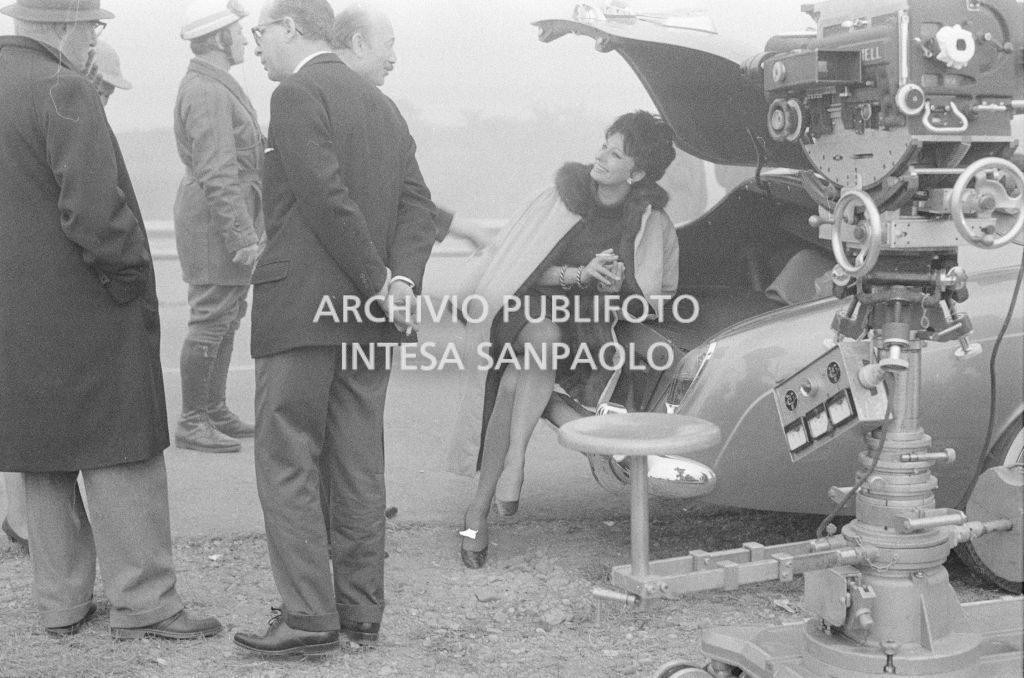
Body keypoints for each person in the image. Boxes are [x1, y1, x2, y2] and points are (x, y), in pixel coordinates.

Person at [0, 0, 222, 640]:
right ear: (66, 24)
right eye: (93, 25)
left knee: (43, 455)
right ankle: (145, 601)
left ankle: (60, 603)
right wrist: (129, 282)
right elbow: (96, 214)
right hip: (88, 308)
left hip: (16, 312)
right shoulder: (64, 87)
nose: (95, 37)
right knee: (124, 450)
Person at [233, 0, 436, 657]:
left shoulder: (296, 94)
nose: (255, 44)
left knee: (288, 458)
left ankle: (307, 616)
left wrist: (379, 281)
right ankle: (360, 615)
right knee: (357, 465)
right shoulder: (384, 107)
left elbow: (323, 197)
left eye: (261, 31)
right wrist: (399, 285)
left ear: (291, 27)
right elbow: (418, 206)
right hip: (368, 321)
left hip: (303, 312)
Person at [447, 111, 680, 568]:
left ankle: (479, 510)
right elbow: (519, 268)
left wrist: (617, 289)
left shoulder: (652, 223)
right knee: (544, 336)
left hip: (587, 331)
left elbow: (659, 296)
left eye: (615, 154)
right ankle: (513, 465)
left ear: (637, 174)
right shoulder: (560, 197)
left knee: (515, 383)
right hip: (524, 311)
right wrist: (578, 275)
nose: (601, 157)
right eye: (604, 145)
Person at [0, 38, 132, 558]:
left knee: (29, 423)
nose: (106, 96)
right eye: (105, 86)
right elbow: (92, 214)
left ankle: (31, 536)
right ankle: (24, 525)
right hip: (58, 296)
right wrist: (128, 277)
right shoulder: (65, 98)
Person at [172, 0, 263, 454]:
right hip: (216, 222)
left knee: (227, 315)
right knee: (211, 317)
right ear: (219, 38)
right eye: (238, 32)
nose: (244, 39)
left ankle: (213, 409)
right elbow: (217, 170)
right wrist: (242, 237)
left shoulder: (214, 84)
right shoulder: (207, 91)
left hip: (222, 218)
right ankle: (193, 420)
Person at [331, 2, 454, 241]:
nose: (394, 58)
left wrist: (455, 226)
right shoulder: (363, 108)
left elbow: (398, 192)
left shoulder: (378, 109)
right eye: (389, 45)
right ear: (358, 44)